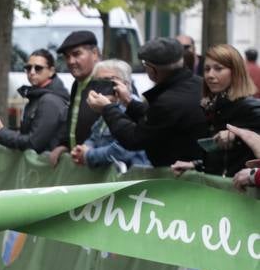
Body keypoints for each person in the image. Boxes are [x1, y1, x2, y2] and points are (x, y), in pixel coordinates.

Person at [87, 36, 210, 168]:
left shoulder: (168, 101)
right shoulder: (197, 84)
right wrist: (128, 101)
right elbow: (156, 119)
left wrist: (107, 108)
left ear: (153, 70)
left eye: (145, 66)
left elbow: (134, 139)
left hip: (177, 178)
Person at [170, 43, 260, 178]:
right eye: (207, 69)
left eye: (218, 69)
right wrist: (196, 165)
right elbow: (223, 158)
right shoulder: (215, 105)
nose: (210, 75)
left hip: (244, 193)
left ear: (235, 71)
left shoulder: (250, 107)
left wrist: (237, 137)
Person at [0, 49, 68, 154]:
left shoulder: (49, 101)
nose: (32, 72)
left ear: (51, 71)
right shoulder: (38, 96)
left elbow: (33, 144)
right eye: (28, 68)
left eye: (38, 68)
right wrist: (2, 133)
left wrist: (0, 134)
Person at [70, 60, 149, 170]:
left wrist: (88, 155)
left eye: (108, 81)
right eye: (98, 81)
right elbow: (95, 136)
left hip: (133, 180)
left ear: (125, 84)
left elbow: (123, 151)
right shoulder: (107, 106)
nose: (102, 86)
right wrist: (82, 149)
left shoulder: (133, 109)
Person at [46, 30, 101, 165]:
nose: (70, 61)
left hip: (101, 168)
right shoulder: (77, 84)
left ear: (94, 54)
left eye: (76, 54)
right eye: (67, 56)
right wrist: (64, 145)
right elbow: (74, 120)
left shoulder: (108, 81)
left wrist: (92, 151)